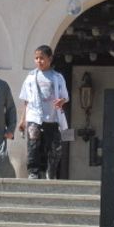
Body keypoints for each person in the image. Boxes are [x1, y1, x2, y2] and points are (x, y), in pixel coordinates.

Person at [18, 45, 69, 179]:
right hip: (34, 116)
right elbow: (26, 100)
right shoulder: (30, 77)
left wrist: (61, 101)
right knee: (33, 144)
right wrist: (22, 120)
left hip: (52, 117)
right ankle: (33, 172)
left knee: (55, 148)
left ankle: (51, 172)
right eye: (36, 58)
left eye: (42, 58)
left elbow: (65, 96)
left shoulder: (57, 77)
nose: (39, 61)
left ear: (50, 59)